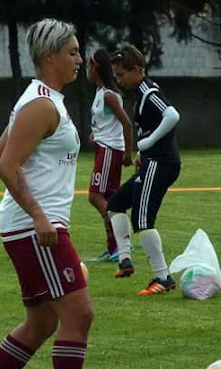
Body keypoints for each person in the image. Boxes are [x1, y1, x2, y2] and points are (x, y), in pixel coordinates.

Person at [0, 19, 110, 369]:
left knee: (41, 323)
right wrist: (40, 215)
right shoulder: (41, 105)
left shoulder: (43, 101)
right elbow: (6, 165)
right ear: (50, 57)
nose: (80, 59)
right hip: (36, 227)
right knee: (79, 314)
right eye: (73, 52)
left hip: (31, 225)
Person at [108, 45, 181, 296]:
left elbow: (172, 115)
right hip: (153, 160)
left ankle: (163, 277)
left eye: (121, 75)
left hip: (161, 162)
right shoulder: (140, 94)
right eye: (115, 76)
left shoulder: (149, 91)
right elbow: (150, 127)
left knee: (142, 220)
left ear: (138, 70)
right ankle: (125, 260)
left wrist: (147, 145)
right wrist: (141, 153)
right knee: (116, 203)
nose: (119, 81)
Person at [86, 48, 133, 262]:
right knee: (110, 199)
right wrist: (94, 133)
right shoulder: (100, 93)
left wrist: (128, 153)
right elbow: (107, 123)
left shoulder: (108, 95)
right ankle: (115, 248)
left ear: (96, 67)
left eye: (89, 65)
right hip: (104, 148)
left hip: (109, 151)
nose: (86, 69)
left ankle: (123, 244)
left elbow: (127, 124)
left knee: (95, 197)